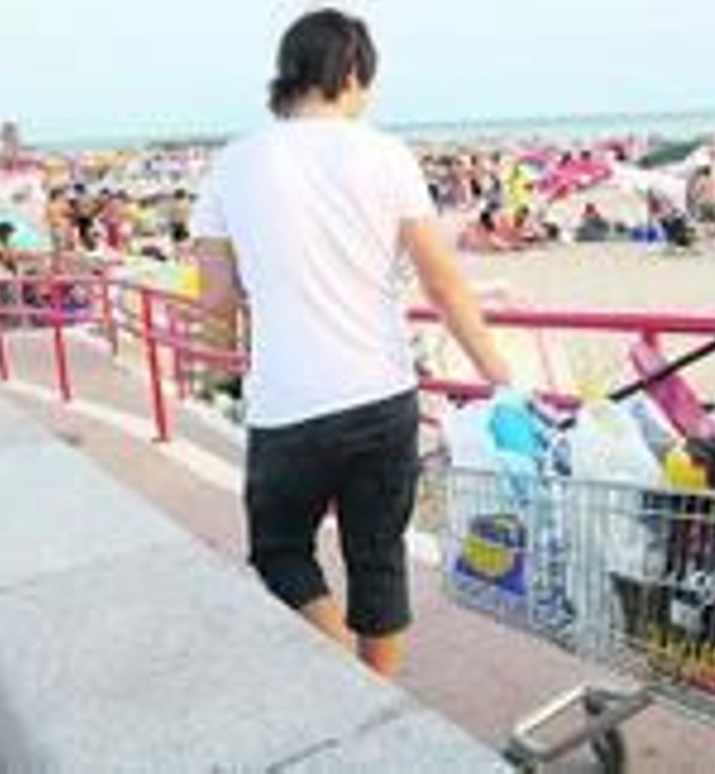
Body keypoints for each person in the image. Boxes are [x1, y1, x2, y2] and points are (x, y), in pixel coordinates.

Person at [190, 9, 513, 677]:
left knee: (281, 550)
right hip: (382, 394)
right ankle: (377, 699)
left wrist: (217, 369)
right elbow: (444, 283)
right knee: (378, 558)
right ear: (351, 72)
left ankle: (346, 680)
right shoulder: (385, 154)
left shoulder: (235, 162)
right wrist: (499, 375)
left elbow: (215, 303)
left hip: (287, 406)